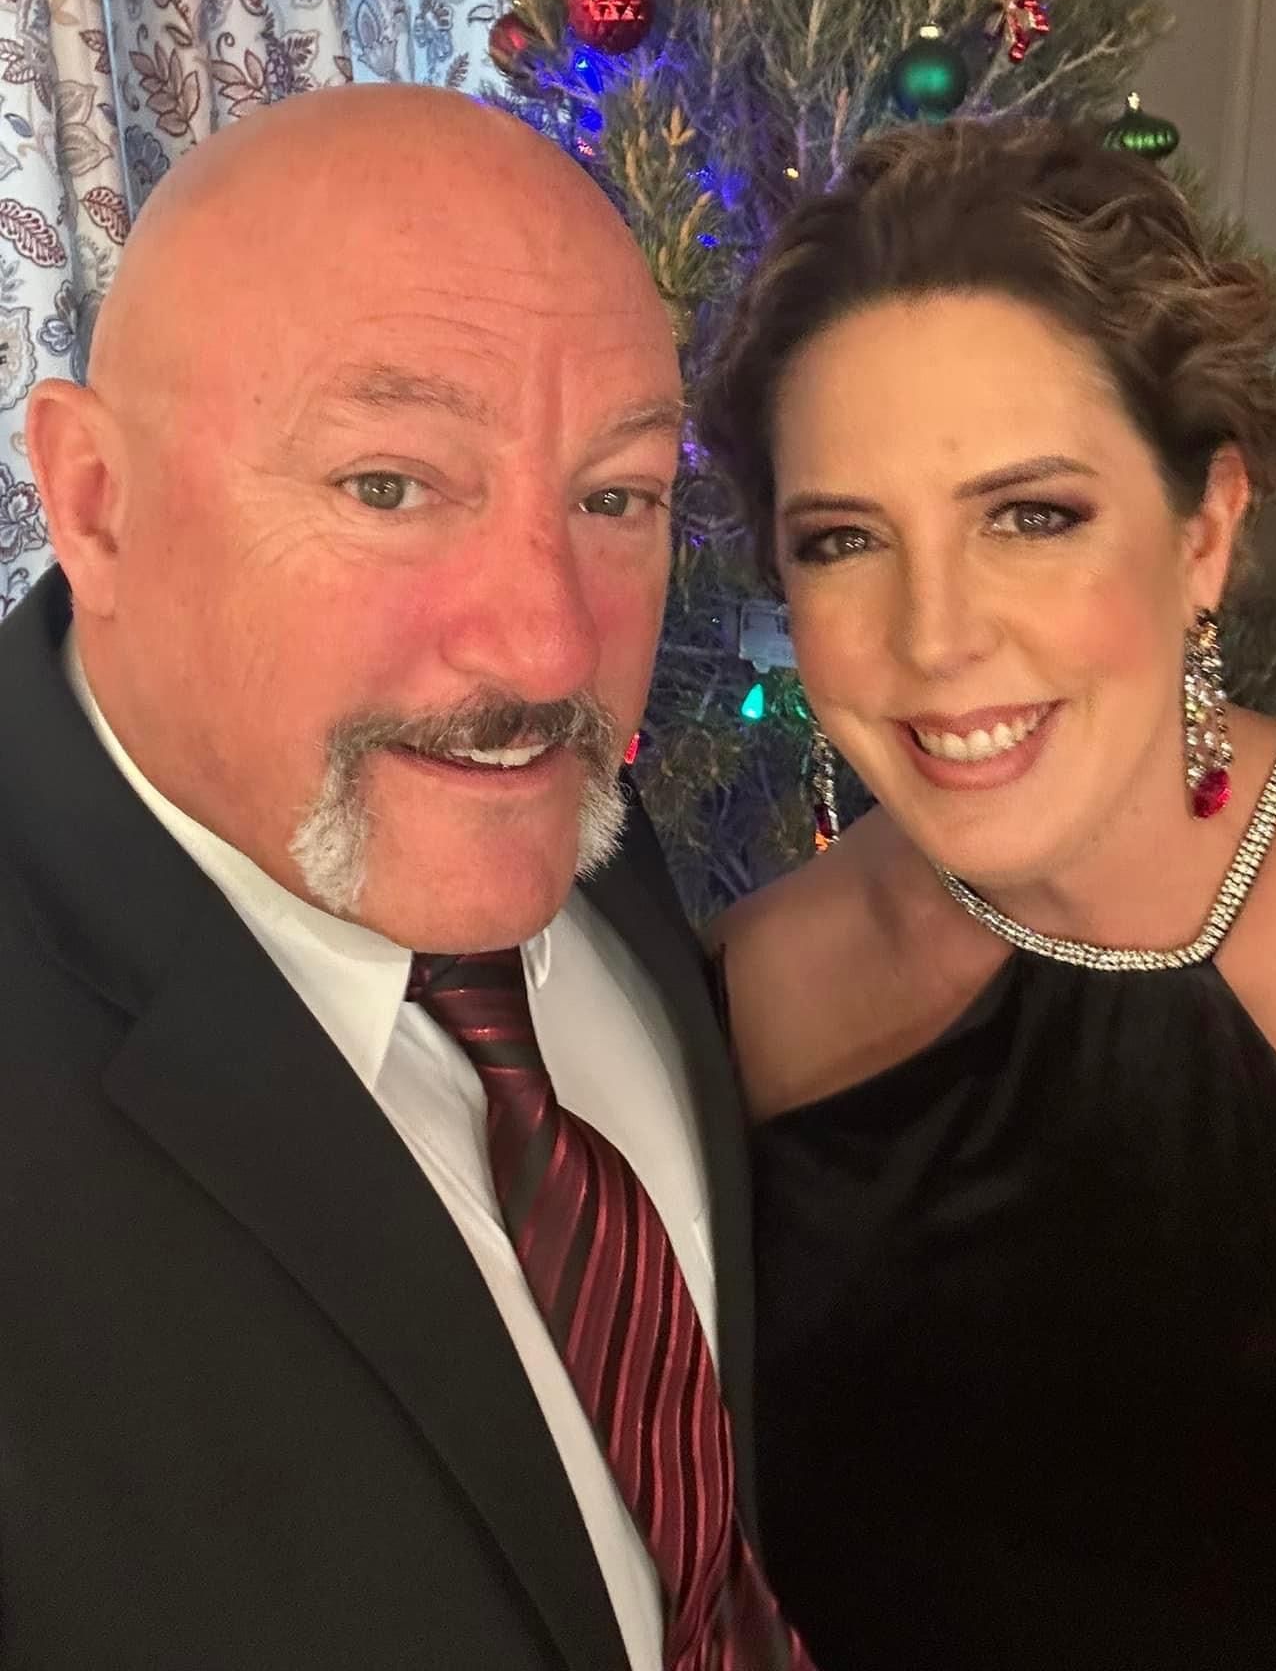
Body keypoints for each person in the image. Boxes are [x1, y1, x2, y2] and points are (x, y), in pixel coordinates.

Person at [699, 118, 1276, 1670]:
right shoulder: (742, 1008)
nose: (937, 637)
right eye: (844, 541)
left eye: (1032, 515)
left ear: (1207, 528)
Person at [0, 87, 811, 1671]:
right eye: (388, 485)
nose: (550, 643)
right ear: (94, 499)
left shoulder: (522, 798)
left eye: (616, 497)